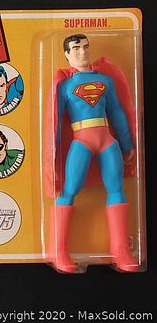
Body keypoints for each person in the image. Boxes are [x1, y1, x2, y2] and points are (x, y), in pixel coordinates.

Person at [48, 33, 138, 272]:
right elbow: (56, 123)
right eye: (76, 48)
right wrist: (53, 155)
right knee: (70, 189)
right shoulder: (65, 85)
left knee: (116, 189)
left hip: (107, 140)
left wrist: (128, 145)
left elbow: (117, 113)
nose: (83, 52)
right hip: (81, 140)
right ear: (67, 54)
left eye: (86, 47)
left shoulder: (106, 81)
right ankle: (58, 250)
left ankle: (121, 250)